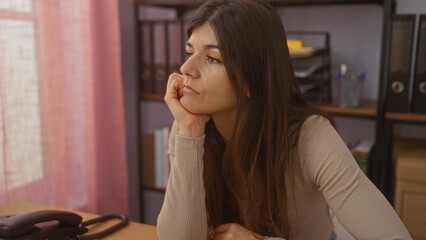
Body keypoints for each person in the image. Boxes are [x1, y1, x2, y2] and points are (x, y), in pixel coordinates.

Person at [157, 0, 412, 239]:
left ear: (252, 80)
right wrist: (189, 132)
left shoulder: (310, 135)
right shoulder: (189, 125)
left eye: (213, 58)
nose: (186, 69)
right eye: (190, 51)